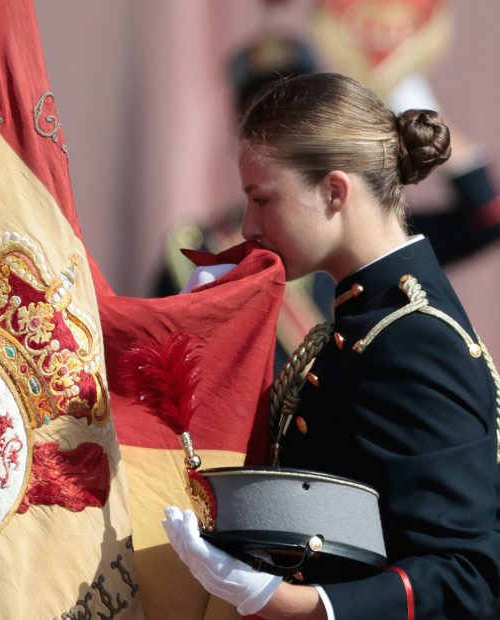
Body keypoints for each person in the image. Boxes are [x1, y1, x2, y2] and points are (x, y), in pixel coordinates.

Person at [161, 72, 500, 619]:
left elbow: (466, 575)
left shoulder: (415, 338)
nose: (248, 225)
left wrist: (295, 603)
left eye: (262, 198)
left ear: (334, 192)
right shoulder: (366, 317)